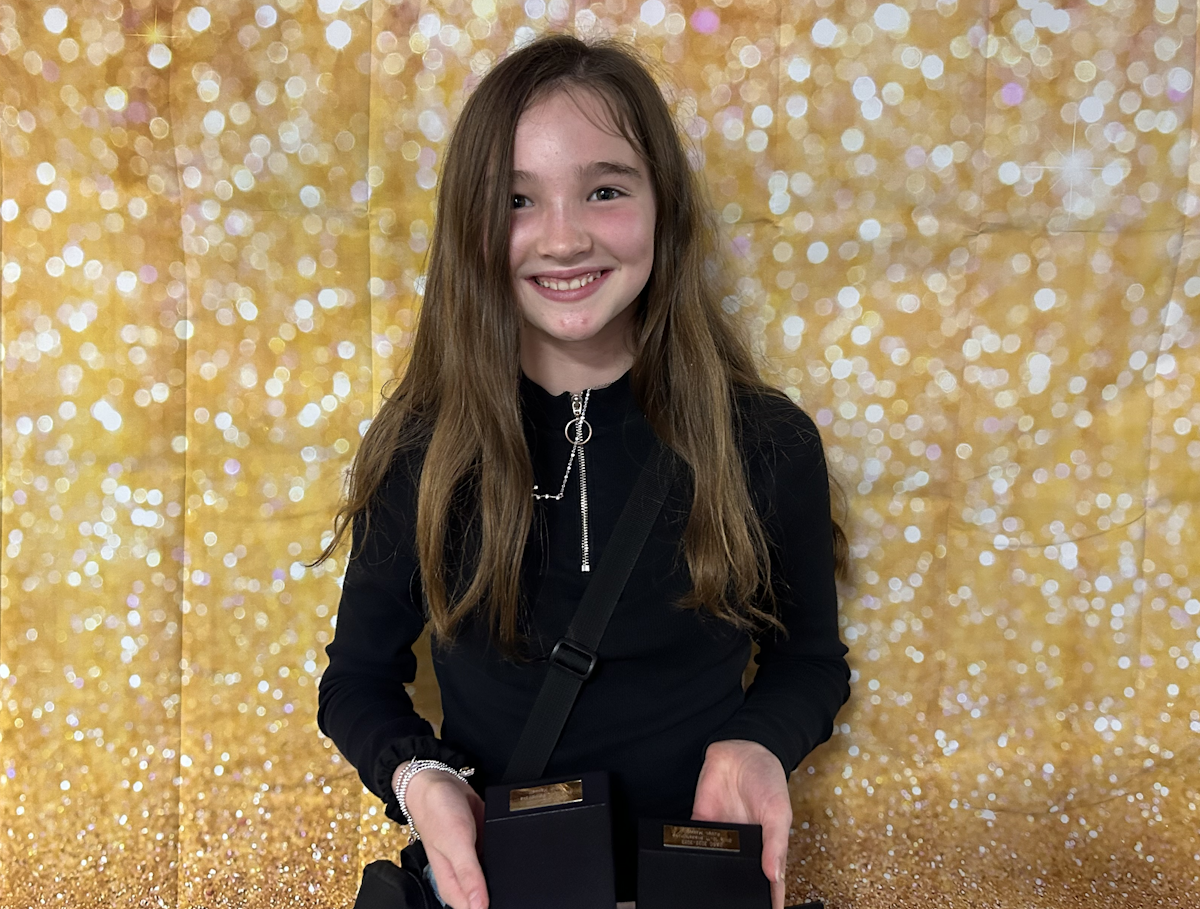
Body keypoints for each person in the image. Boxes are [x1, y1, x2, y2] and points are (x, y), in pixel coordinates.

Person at [314, 33, 850, 909]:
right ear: (472, 227)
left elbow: (811, 661)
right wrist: (419, 777)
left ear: (663, 204)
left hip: (693, 889)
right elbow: (356, 681)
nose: (563, 239)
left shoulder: (768, 440)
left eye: (604, 190)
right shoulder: (424, 445)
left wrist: (758, 742)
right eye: (517, 200)